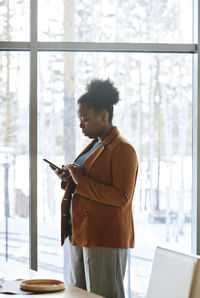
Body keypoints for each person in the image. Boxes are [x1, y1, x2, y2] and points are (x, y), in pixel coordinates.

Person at [52, 79, 138, 298]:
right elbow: (85, 183)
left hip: (104, 238)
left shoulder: (123, 149)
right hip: (81, 234)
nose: (81, 125)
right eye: (79, 119)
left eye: (85, 119)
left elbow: (122, 197)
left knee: (104, 295)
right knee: (78, 295)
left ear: (103, 115)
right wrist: (68, 179)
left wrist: (80, 181)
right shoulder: (94, 145)